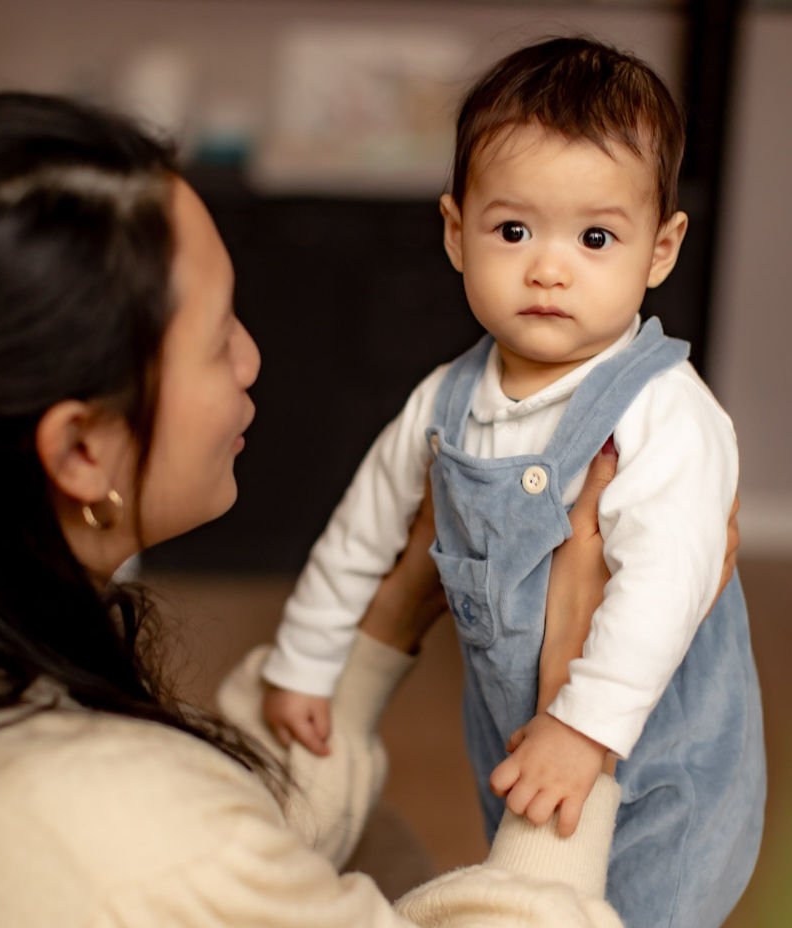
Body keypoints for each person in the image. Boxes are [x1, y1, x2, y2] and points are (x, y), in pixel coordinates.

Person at [0, 89, 649, 927]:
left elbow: (229, 851)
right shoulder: (114, 828)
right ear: (80, 450)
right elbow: (192, 856)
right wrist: (573, 715)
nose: (251, 359)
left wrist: (385, 617)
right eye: (217, 339)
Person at [260, 37, 766, 928]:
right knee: (527, 890)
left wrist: (583, 729)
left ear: (661, 248)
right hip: (515, 736)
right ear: (457, 233)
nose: (548, 266)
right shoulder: (444, 400)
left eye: (597, 236)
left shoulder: (664, 413)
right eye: (513, 230)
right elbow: (363, 532)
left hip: (660, 764)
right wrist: (306, 661)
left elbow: (664, 582)